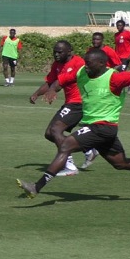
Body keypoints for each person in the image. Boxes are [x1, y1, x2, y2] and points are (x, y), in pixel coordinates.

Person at [17, 48, 130, 199]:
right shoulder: (81, 72)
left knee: (66, 145)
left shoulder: (114, 78)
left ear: (101, 64)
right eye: (85, 63)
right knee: (121, 163)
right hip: (97, 128)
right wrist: (53, 89)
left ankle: (36, 187)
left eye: (89, 63)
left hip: (103, 127)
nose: (85, 66)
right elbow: (60, 80)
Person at [29, 40, 96, 176]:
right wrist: (36, 93)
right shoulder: (57, 65)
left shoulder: (79, 63)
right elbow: (51, 82)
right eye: (55, 52)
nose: (56, 54)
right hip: (70, 103)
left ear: (69, 51)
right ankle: (88, 149)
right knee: (49, 134)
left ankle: (70, 166)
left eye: (60, 52)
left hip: (79, 103)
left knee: (55, 130)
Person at [114, 20, 130, 92]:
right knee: (118, 72)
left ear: (123, 26)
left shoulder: (128, 34)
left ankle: (121, 88)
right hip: (118, 57)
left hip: (126, 56)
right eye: (117, 25)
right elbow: (117, 46)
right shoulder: (116, 35)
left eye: (120, 25)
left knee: (122, 71)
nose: (118, 27)